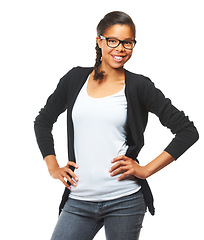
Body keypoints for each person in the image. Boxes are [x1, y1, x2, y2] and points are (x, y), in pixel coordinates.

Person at [34, 11, 199, 240]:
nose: (120, 49)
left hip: (125, 201)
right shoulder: (74, 79)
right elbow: (43, 121)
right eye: (113, 41)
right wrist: (52, 165)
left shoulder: (139, 86)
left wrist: (146, 170)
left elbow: (187, 131)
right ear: (99, 40)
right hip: (79, 200)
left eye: (127, 43)